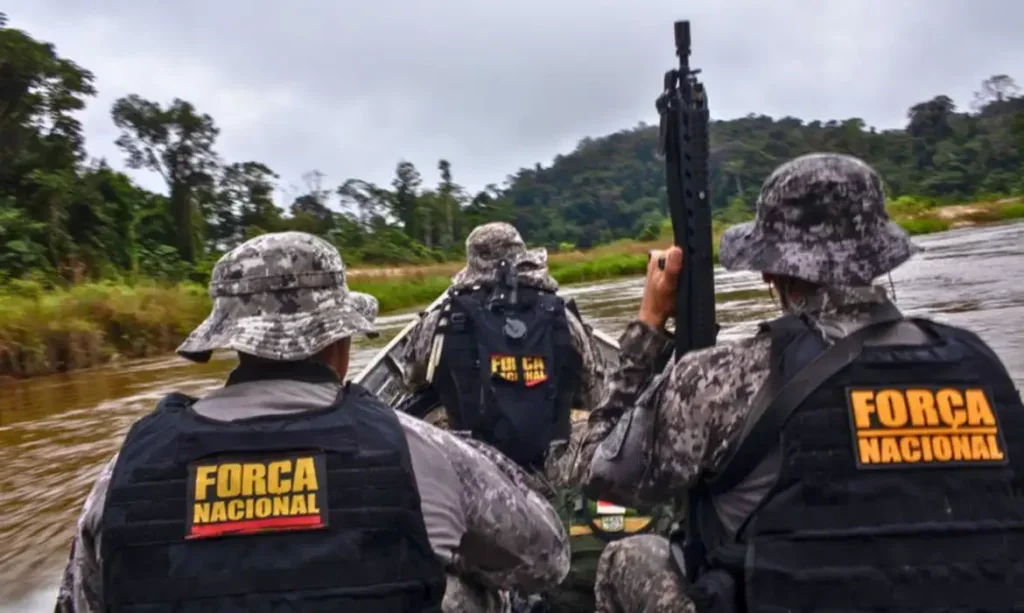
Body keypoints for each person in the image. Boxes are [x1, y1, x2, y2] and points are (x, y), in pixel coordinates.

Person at [579, 152, 1024, 613]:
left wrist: (649, 325)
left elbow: (600, 470)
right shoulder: (979, 364)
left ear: (770, 270)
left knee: (629, 556)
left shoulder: (722, 379)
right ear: (880, 257)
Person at [53, 231, 571, 613]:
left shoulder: (124, 474)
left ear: (233, 341)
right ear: (340, 343)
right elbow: (547, 560)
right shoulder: (420, 452)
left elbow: (76, 603)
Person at [399, 222, 670, 613]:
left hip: (474, 468)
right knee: (589, 423)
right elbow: (597, 390)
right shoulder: (561, 314)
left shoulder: (442, 318)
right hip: (551, 466)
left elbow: (410, 376)